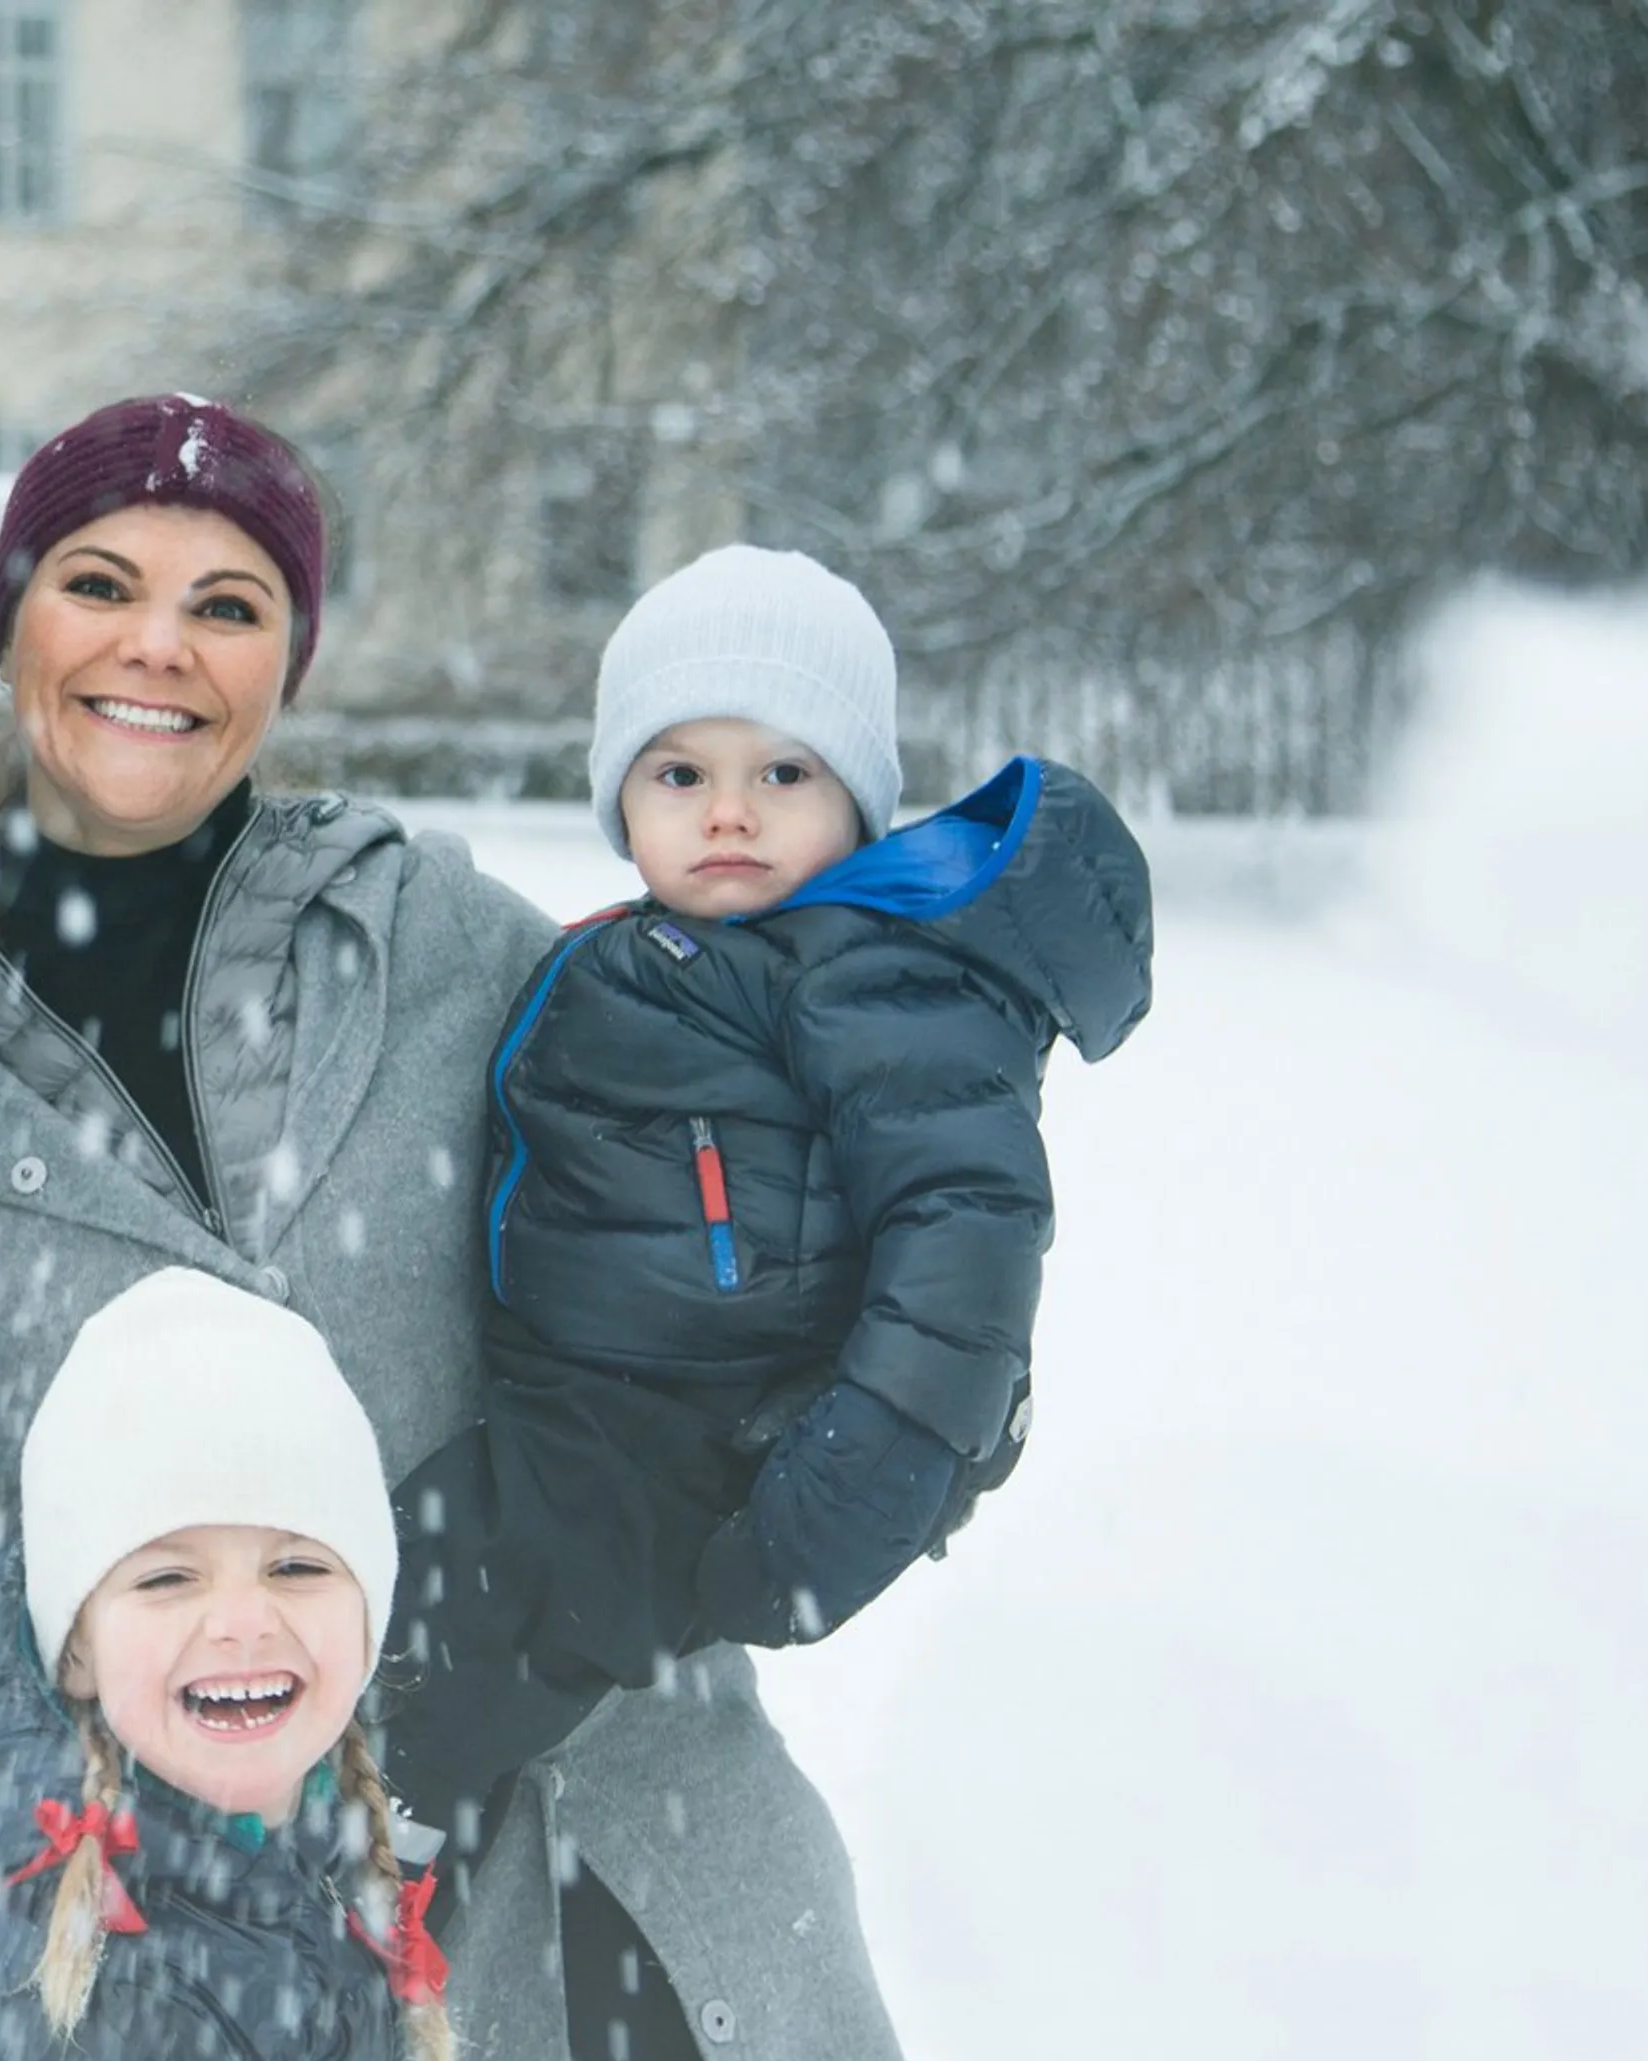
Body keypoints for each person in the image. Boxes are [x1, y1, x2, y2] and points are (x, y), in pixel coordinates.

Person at [0, 393, 928, 2061]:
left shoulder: (453, 952)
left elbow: (782, 1288)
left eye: (229, 604)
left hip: (622, 1891)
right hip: (194, 1989)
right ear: (12, 624)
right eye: (99, 583)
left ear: (288, 661)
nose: (159, 645)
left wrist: (523, 1595)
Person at [376, 543, 1156, 1817]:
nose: (728, 812)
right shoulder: (675, 948)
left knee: (470, 1609)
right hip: (580, 1393)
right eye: (680, 773)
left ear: (858, 805)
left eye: (783, 774)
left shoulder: (871, 976)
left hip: (694, 1428)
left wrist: (872, 1470)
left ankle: (371, 1830)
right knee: (393, 1558)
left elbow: (964, 1233)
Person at [0, 1269, 452, 2061]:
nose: (242, 1620)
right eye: (168, 1578)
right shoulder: (106, 2022)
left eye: (296, 1567)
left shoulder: (264, 1876)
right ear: (77, 1649)